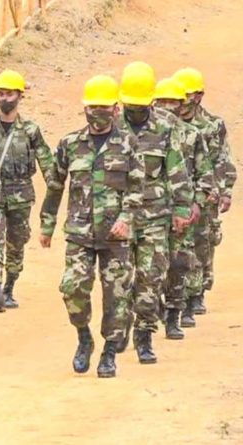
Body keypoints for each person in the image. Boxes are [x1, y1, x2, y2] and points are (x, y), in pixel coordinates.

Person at [39, 75, 143, 378]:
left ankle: (110, 352)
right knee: (72, 288)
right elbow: (56, 185)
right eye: (91, 107)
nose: (96, 112)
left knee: (117, 296)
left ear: (115, 109)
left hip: (116, 237)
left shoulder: (128, 144)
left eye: (103, 107)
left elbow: (138, 188)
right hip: (80, 234)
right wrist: (47, 224)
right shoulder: (71, 144)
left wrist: (126, 218)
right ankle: (83, 337)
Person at [116, 62, 193, 364]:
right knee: (119, 279)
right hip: (119, 217)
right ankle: (118, 328)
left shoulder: (165, 128)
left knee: (150, 277)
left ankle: (144, 335)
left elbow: (176, 169)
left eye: (140, 105)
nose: (134, 110)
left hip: (154, 217)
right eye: (129, 105)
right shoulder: (110, 125)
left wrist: (182, 208)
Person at [0, 69, 55, 310]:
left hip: (21, 194)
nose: (4, 98)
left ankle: (10, 287)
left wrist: (56, 185)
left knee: (17, 242)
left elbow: (46, 160)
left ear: (19, 96)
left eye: (9, 94)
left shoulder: (31, 130)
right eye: (0, 94)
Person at [152, 77, 215, 340]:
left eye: (172, 102)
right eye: (162, 101)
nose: (167, 106)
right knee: (151, 265)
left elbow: (205, 174)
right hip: (151, 211)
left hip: (182, 211)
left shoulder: (192, 135)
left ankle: (176, 314)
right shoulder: (144, 134)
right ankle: (153, 308)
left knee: (179, 263)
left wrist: (198, 203)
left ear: (182, 104)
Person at [173, 67, 237, 320]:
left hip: (206, 192)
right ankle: (178, 295)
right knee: (179, 246)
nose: (182, 102)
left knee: (203, 243)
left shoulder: (212, 124)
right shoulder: (168, 125)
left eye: (187, 95)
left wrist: (224, 191)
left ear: (198, 96)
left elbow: (222, 158)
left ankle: (197, 291)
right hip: (177, 194)